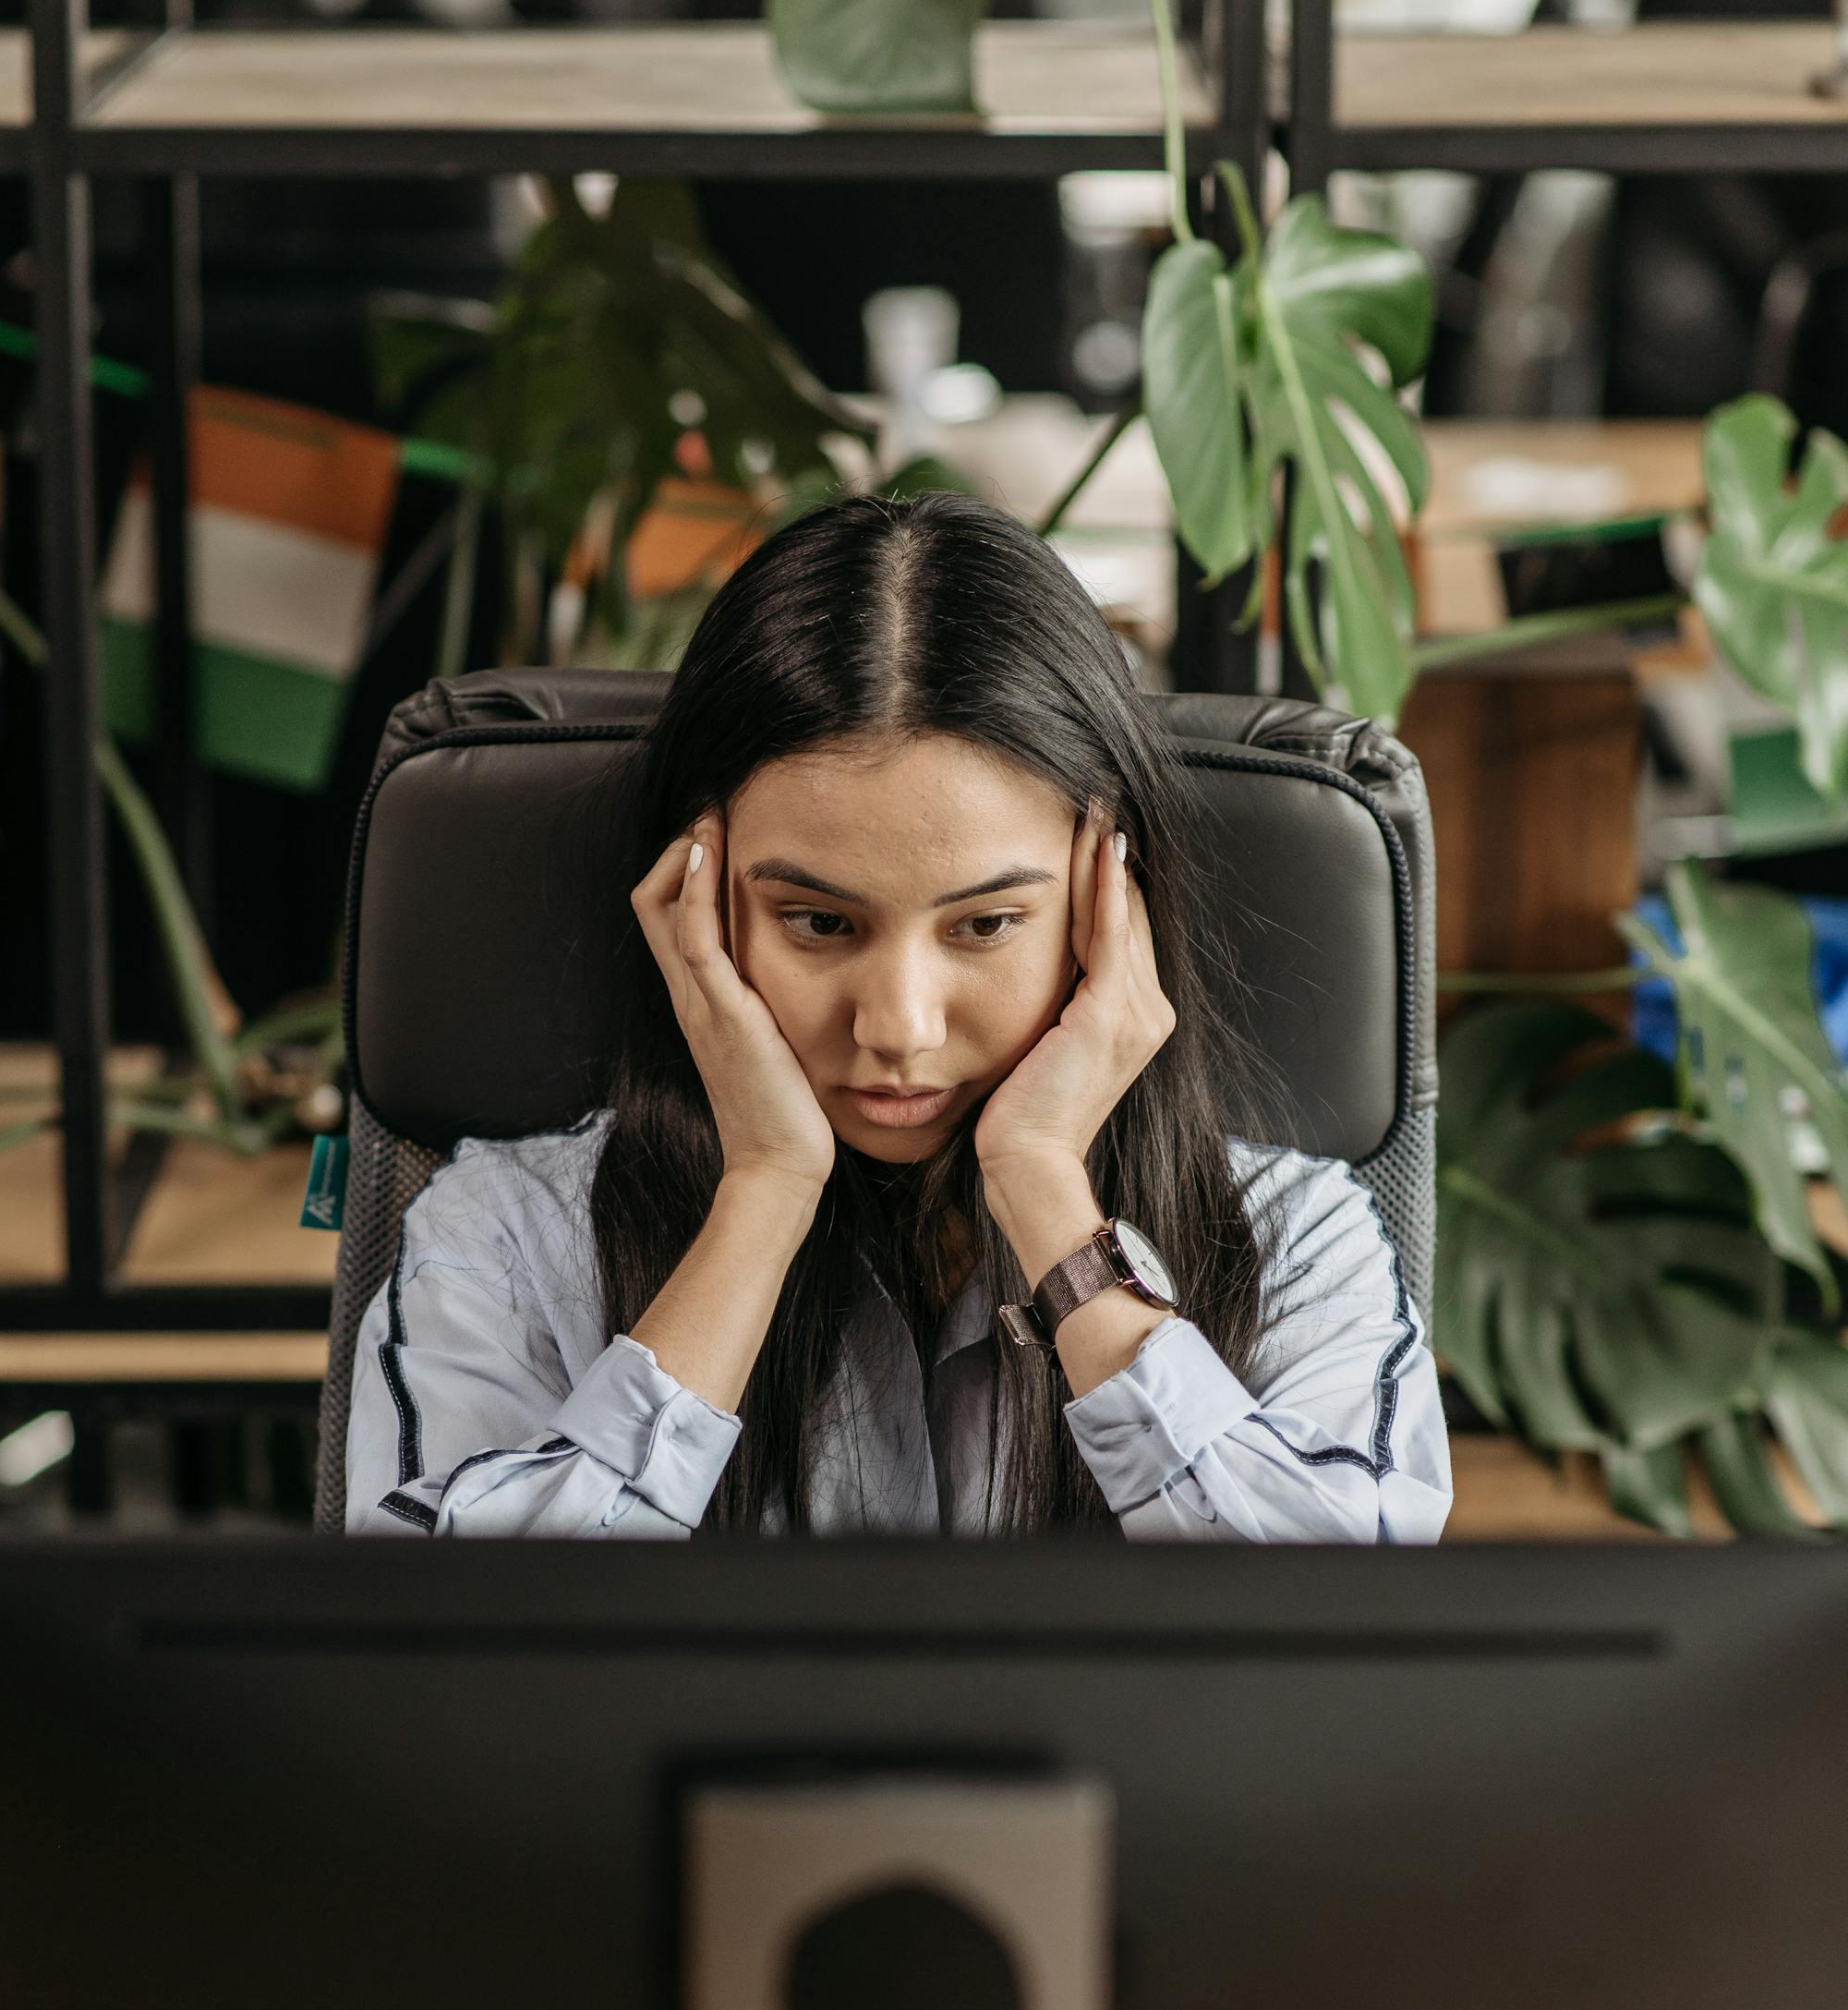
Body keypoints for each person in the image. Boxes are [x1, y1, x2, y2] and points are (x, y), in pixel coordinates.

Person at [347, 494, 1450, 1543]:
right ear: (695, 889)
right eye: (820, 922)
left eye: (983, 927)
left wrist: (1050, 1200)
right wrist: (763, 1196)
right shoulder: (502, 1238)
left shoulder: (1293, 1238)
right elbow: (451, 1669)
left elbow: (1344, 1653)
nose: (900, 1028)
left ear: (1110, 904)